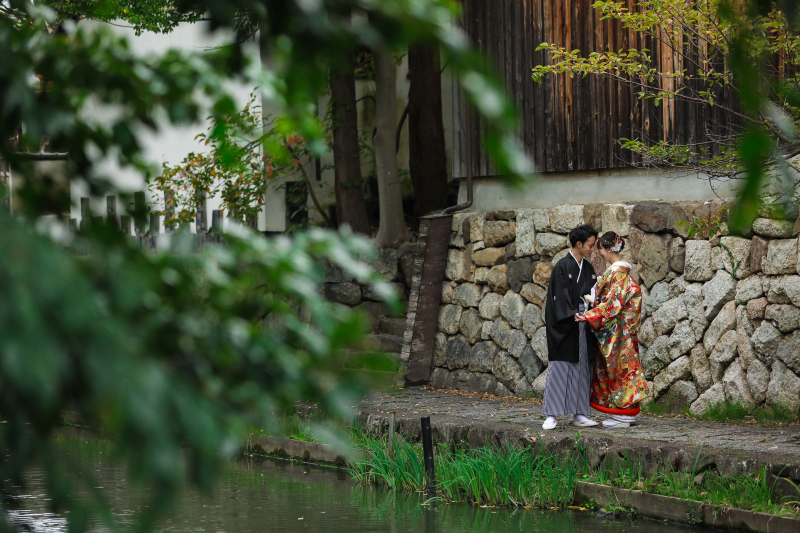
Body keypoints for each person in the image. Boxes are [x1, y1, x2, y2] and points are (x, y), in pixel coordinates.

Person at [576, 231, 650, 428]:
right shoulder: (622, 275)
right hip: (625, 331)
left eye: (600, 250)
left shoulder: (617, 276)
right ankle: (623, 413)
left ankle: (623, 414)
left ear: (608, 249)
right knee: (625, 370)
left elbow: (611, 304)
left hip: (619, 333)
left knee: (619, 370)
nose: (599, 254)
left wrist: (588, 316)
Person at [541, 225, 600, 430]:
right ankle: (551, 414)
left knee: (583, 367)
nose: (592, 249)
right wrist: (569, 312)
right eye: (590, 246)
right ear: (579, 244)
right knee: (560, 367)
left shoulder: (589, 269)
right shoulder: (562, 266)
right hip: (566, 324)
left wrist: (592, 308)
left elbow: (593, 292)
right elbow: (558, 296)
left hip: (583, 323)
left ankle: (580, 413)